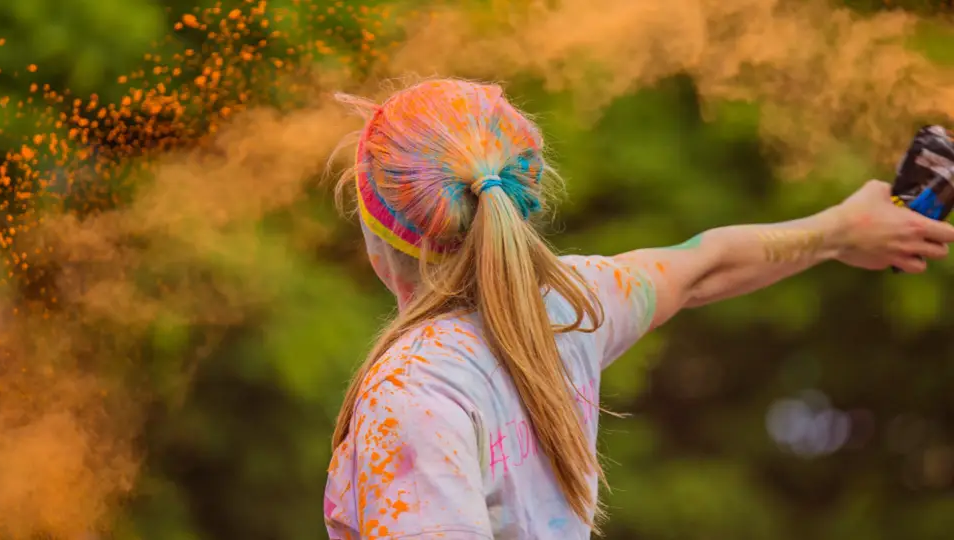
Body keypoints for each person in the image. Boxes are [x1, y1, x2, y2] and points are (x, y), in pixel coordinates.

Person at [322, 78, 954, 540]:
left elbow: (708, 263)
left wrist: (845, 231)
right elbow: (706, 263)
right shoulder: (566, 308)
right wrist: (842, 229)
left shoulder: (411, 392)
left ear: (376, 234)